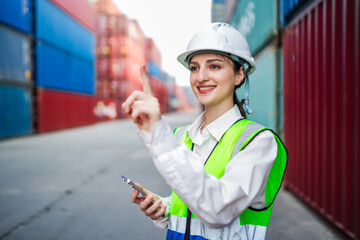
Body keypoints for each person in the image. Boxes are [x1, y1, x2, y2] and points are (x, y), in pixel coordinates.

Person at [122, 22, 288, 240]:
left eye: (214, 66)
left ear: (239, 75)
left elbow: (218, 210)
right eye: (194, 68)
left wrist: (157, 134)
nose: (200, 77)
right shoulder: (181, 136)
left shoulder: (258, 142)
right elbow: (191, 205)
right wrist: (164, 208)